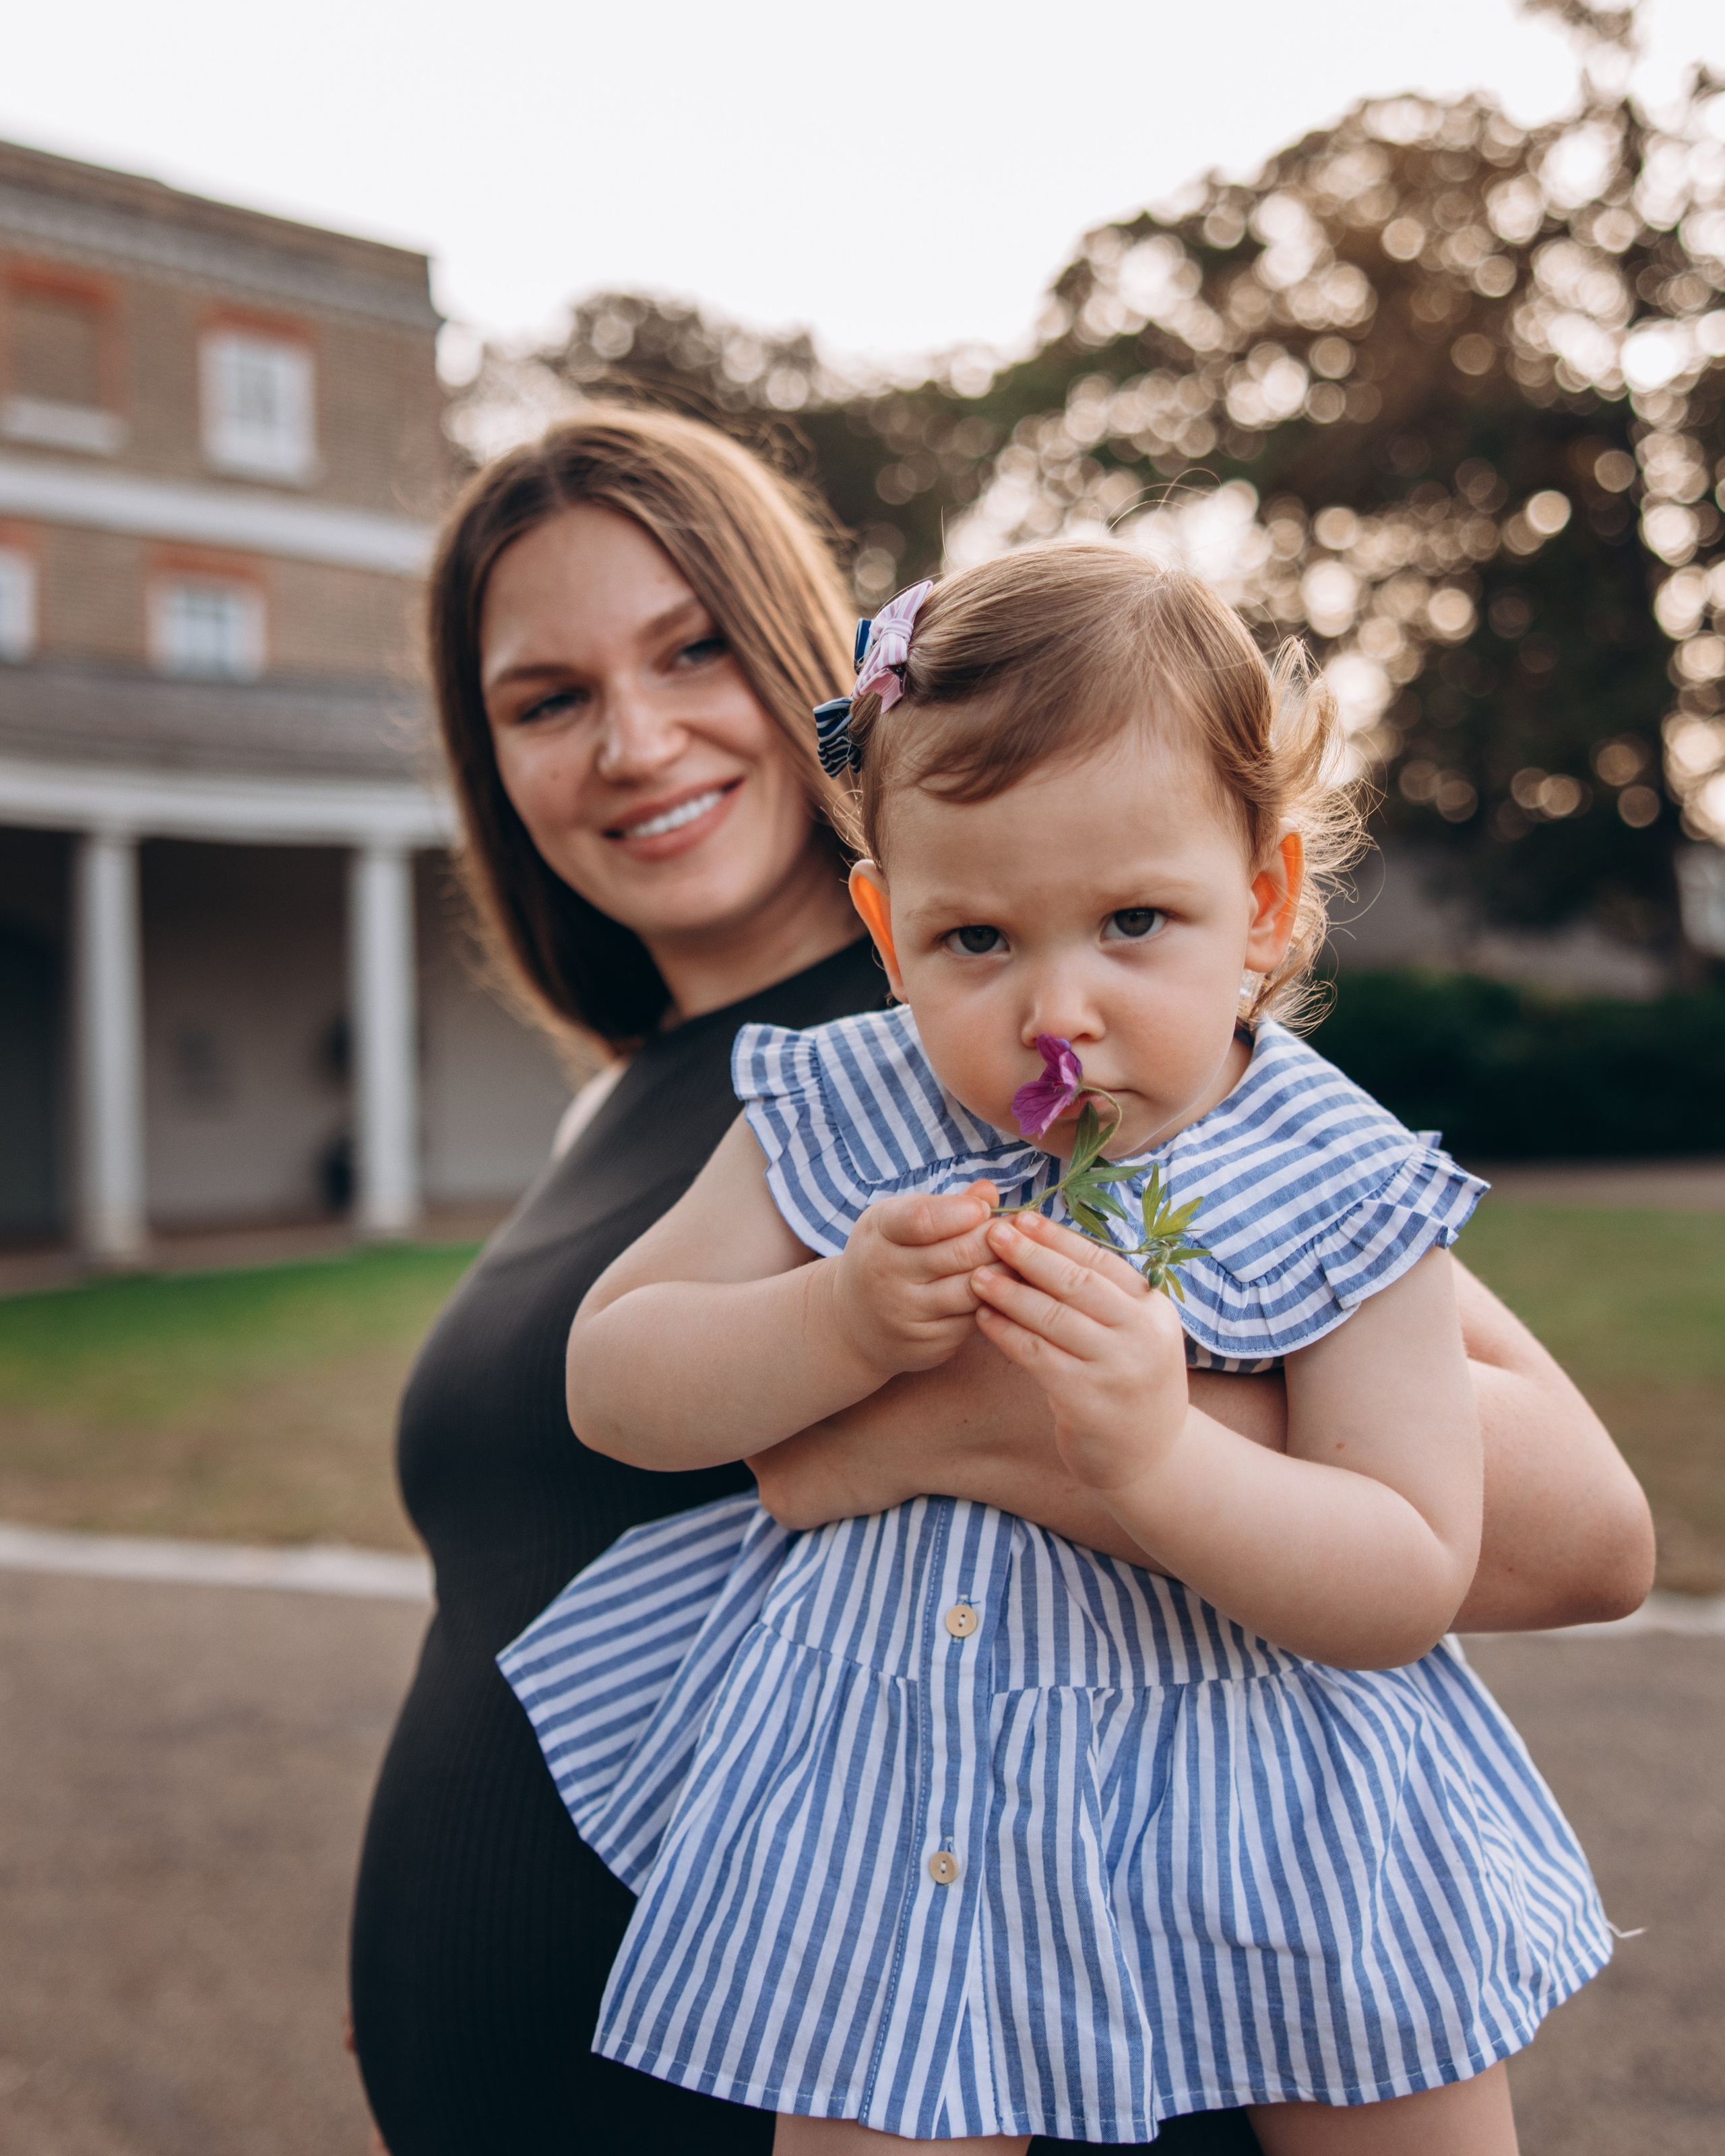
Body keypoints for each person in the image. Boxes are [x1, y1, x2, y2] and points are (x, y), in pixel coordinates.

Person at [348, 408, 1652, 2156]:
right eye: (546, 696)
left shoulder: (1119, 1088)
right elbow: (625, 1390)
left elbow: (1575, 1525)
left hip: (1021, 2002)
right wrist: (839, 1351)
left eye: (693, 650)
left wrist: (966, 1424)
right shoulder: (726, 1098)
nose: (634, 736)